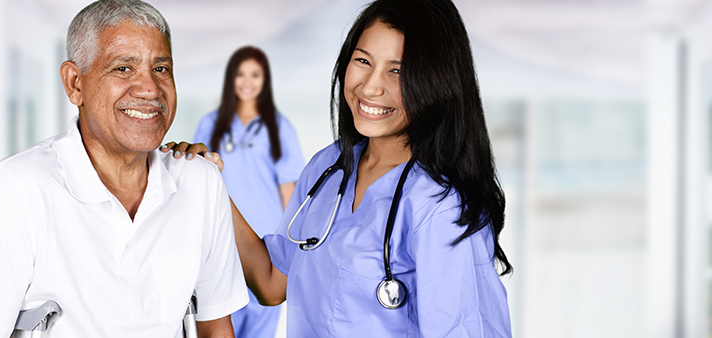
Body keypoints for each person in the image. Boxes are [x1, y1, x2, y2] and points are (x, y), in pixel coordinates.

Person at [176, 0, 513, 336]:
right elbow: (272, 282)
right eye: (363, 61)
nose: (369, 87)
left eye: (397, 70)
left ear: (436, 82)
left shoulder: (439, 206)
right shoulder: (329, 167)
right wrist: (208, 186)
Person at [0, 0, 248, 337]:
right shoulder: (16, 190)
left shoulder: (200, 182)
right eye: (123, 68)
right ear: (75, 84)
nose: (149, 89)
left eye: (161, 69)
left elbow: (217, 328)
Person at [192, 46, 304, 338]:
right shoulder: (211, 124)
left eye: (255, 74)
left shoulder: (279, 128)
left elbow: (289, 191)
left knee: (259, 326)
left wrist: (288, 246)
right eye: (241, 74)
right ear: (231, 79)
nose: (247, 81)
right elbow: (194, 180)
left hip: (264, 250)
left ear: (265, 81)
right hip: (221, 243)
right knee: (218, 323)